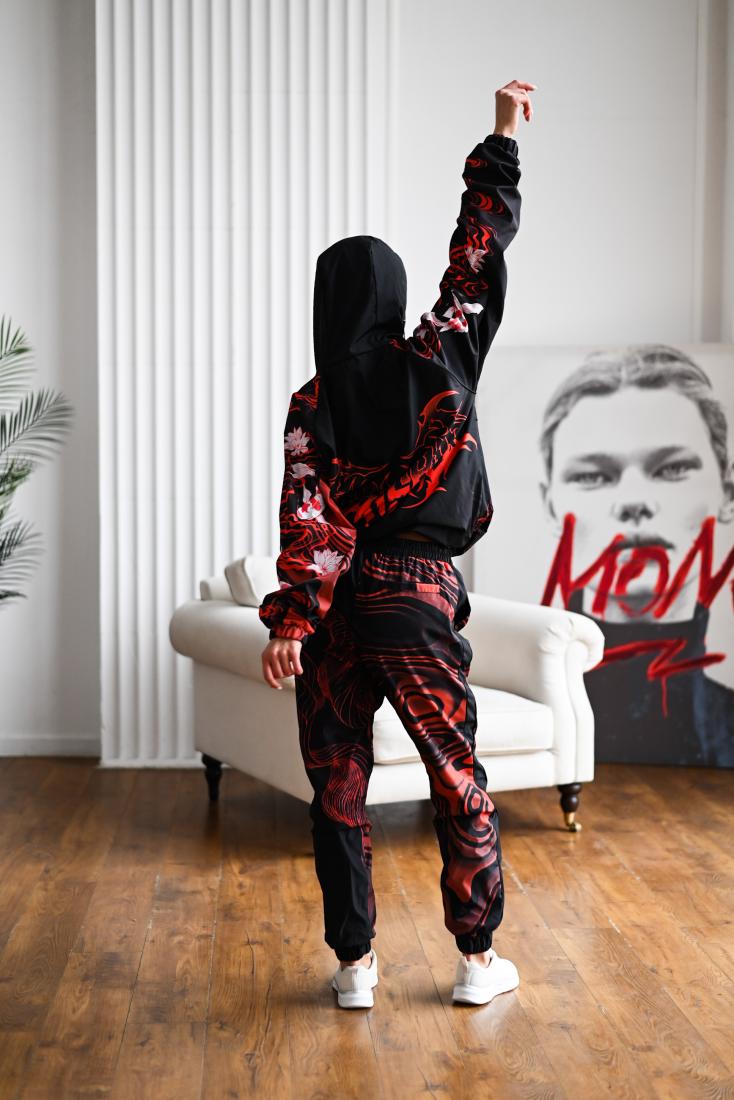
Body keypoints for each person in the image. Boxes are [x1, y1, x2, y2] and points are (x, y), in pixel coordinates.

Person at [258, 79, 535, 1008]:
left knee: (339, 785)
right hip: (415, 595)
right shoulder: (437, 355)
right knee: (453, 770)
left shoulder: (312, 399)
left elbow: (307, 510)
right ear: (393, 296)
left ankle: (355, 967)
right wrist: (500, 138)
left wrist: (294, 617)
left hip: (337, 608)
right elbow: (477, 252)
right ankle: (476, 962)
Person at [538, 343, 734, 767]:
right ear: (550, 505)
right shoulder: (526, 724)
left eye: (672, 469)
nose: (633, 501)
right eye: (592, 475)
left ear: (727, 493)